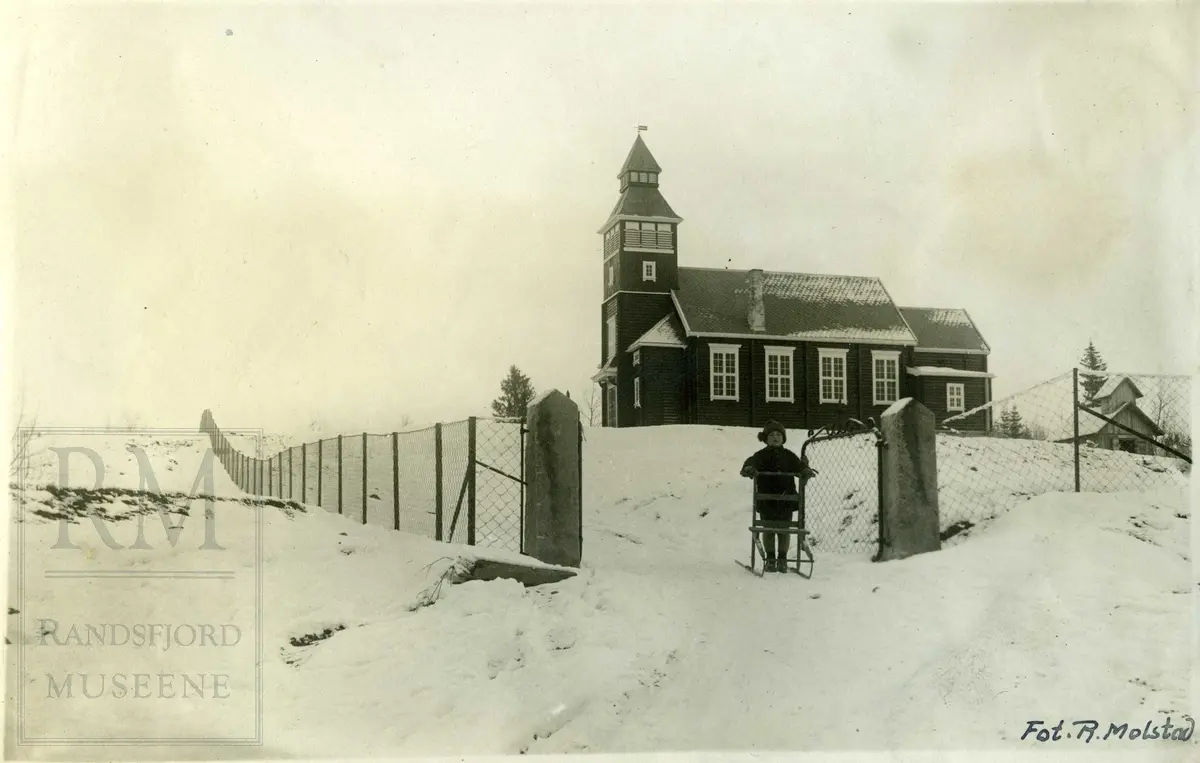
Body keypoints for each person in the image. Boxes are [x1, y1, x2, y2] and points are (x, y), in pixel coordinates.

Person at [740, 420, 816, 572]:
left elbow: (799, 466)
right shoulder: (760, 456)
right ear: (766, 438)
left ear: (783, 438)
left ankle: (782, 559)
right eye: (772, 435)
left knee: (784, 530)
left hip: (786, 500)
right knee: (768, 529)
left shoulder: (789, 456)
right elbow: (751, 462)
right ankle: (770, 559)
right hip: (766, 500)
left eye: (778, 435)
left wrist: (805, 470)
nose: (775, 437)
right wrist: (749, 468)